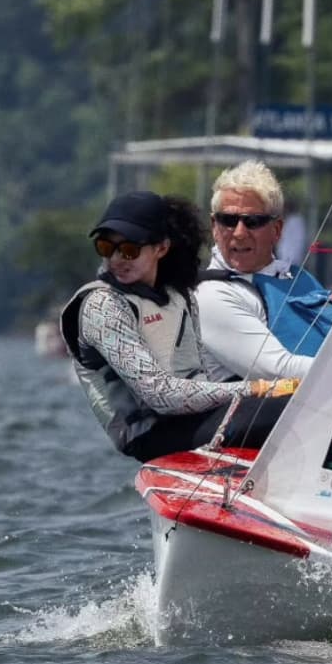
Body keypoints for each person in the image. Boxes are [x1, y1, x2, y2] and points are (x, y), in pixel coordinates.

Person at [60, 190, 299, 462]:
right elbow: (161, 396)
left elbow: (198, 377)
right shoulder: (101, 306)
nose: (116, 259)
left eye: (129, 250)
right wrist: (257, 389)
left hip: (191, 417)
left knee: (305, 398)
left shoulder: (179, 295)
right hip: (148, 435)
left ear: (161, 248)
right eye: (106, 247)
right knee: (286, 406)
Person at [197, 160, 332, 381]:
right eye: (228, 220)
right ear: (214, 227)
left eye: (253, 221)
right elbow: (278, 370)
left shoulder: (297, 277)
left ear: (277, 230)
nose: (239, 233)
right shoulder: (210, 295)